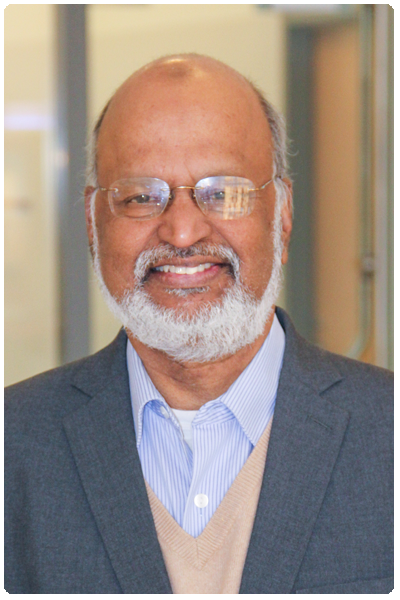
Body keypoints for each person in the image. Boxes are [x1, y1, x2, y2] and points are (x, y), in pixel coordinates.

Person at [5, 54, 393, 594]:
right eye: (141, 197)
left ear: (282, 215)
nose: (183, 232)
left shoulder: (389, 432)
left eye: (223, 192)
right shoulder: (13, 444)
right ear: (93, 224)